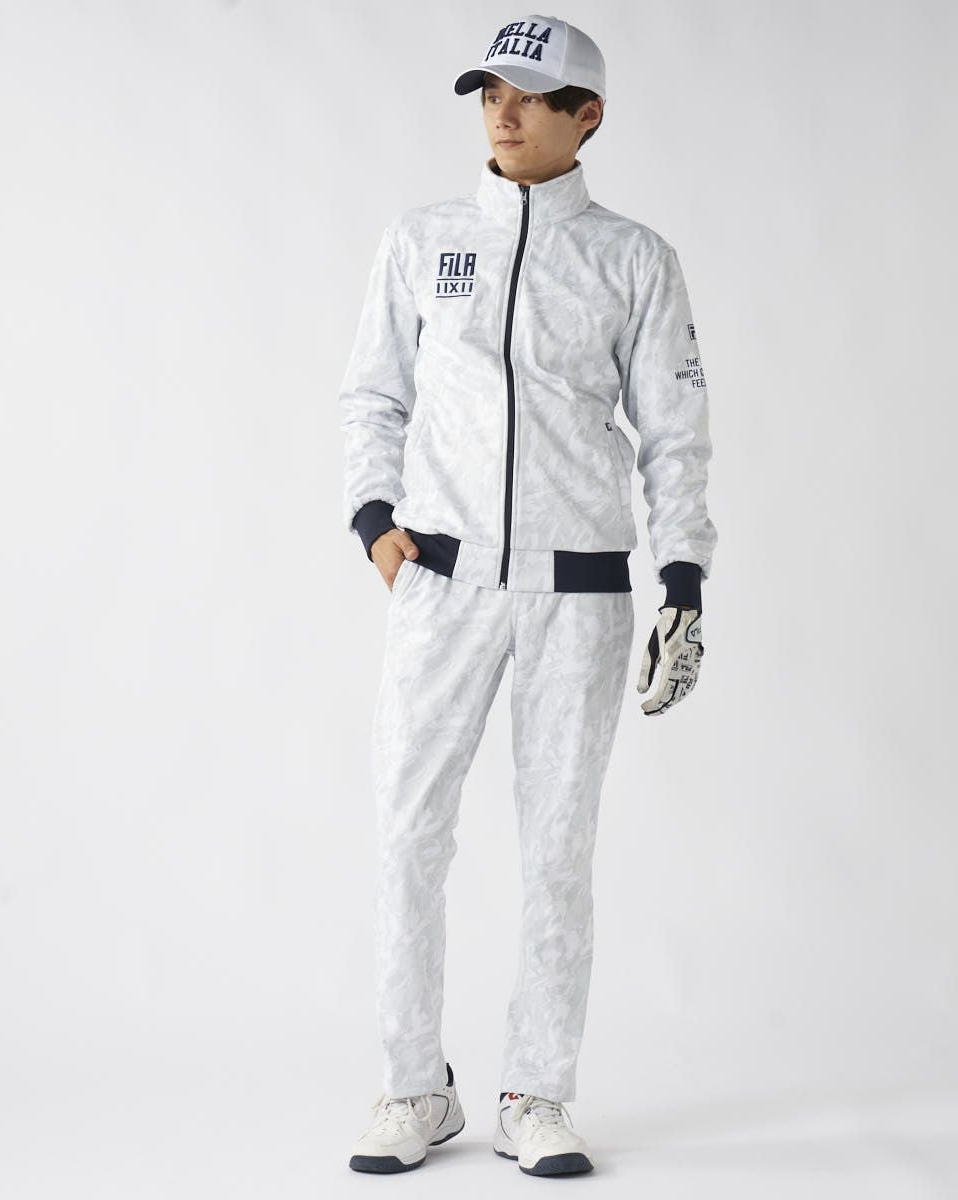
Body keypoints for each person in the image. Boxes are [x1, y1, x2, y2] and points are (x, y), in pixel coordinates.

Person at [339, 13, 718, 1178]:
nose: (502, 112)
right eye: (490, 91)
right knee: (408, 832)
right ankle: (414, 1087)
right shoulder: (423, 240)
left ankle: (535, 1092)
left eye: (531, 96)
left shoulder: (633, 259)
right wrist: (375, 523)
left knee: (557, 847)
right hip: (442, 581)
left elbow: (675, 433)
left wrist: (684, 576)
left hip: (580, 593)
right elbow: (373, 394)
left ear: (585, 115)